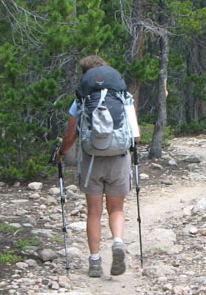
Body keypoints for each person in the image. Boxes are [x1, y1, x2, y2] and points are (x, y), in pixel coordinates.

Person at [55, 55, 140, 278]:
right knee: (117, 209)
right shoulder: (123, 96)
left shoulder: (81, 100)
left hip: (91, 159)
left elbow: (71, 135)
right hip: (118, 158)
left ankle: (94, 262)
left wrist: (61, 153)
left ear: (86, 75)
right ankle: (118, 242)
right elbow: (136, 135)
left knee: (93, 212)